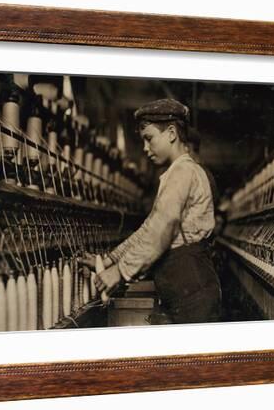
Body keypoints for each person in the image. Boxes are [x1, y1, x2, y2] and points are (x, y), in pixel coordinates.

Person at [83, 98, 222, 324]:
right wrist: (109, 260)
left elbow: (161, 231)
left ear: (171, 133)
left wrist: (119, 272)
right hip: (185, 288)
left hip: (193, 290)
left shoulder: (183, 173)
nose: (145, 149)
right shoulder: (174, 174)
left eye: (149, 139)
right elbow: (149, 228)